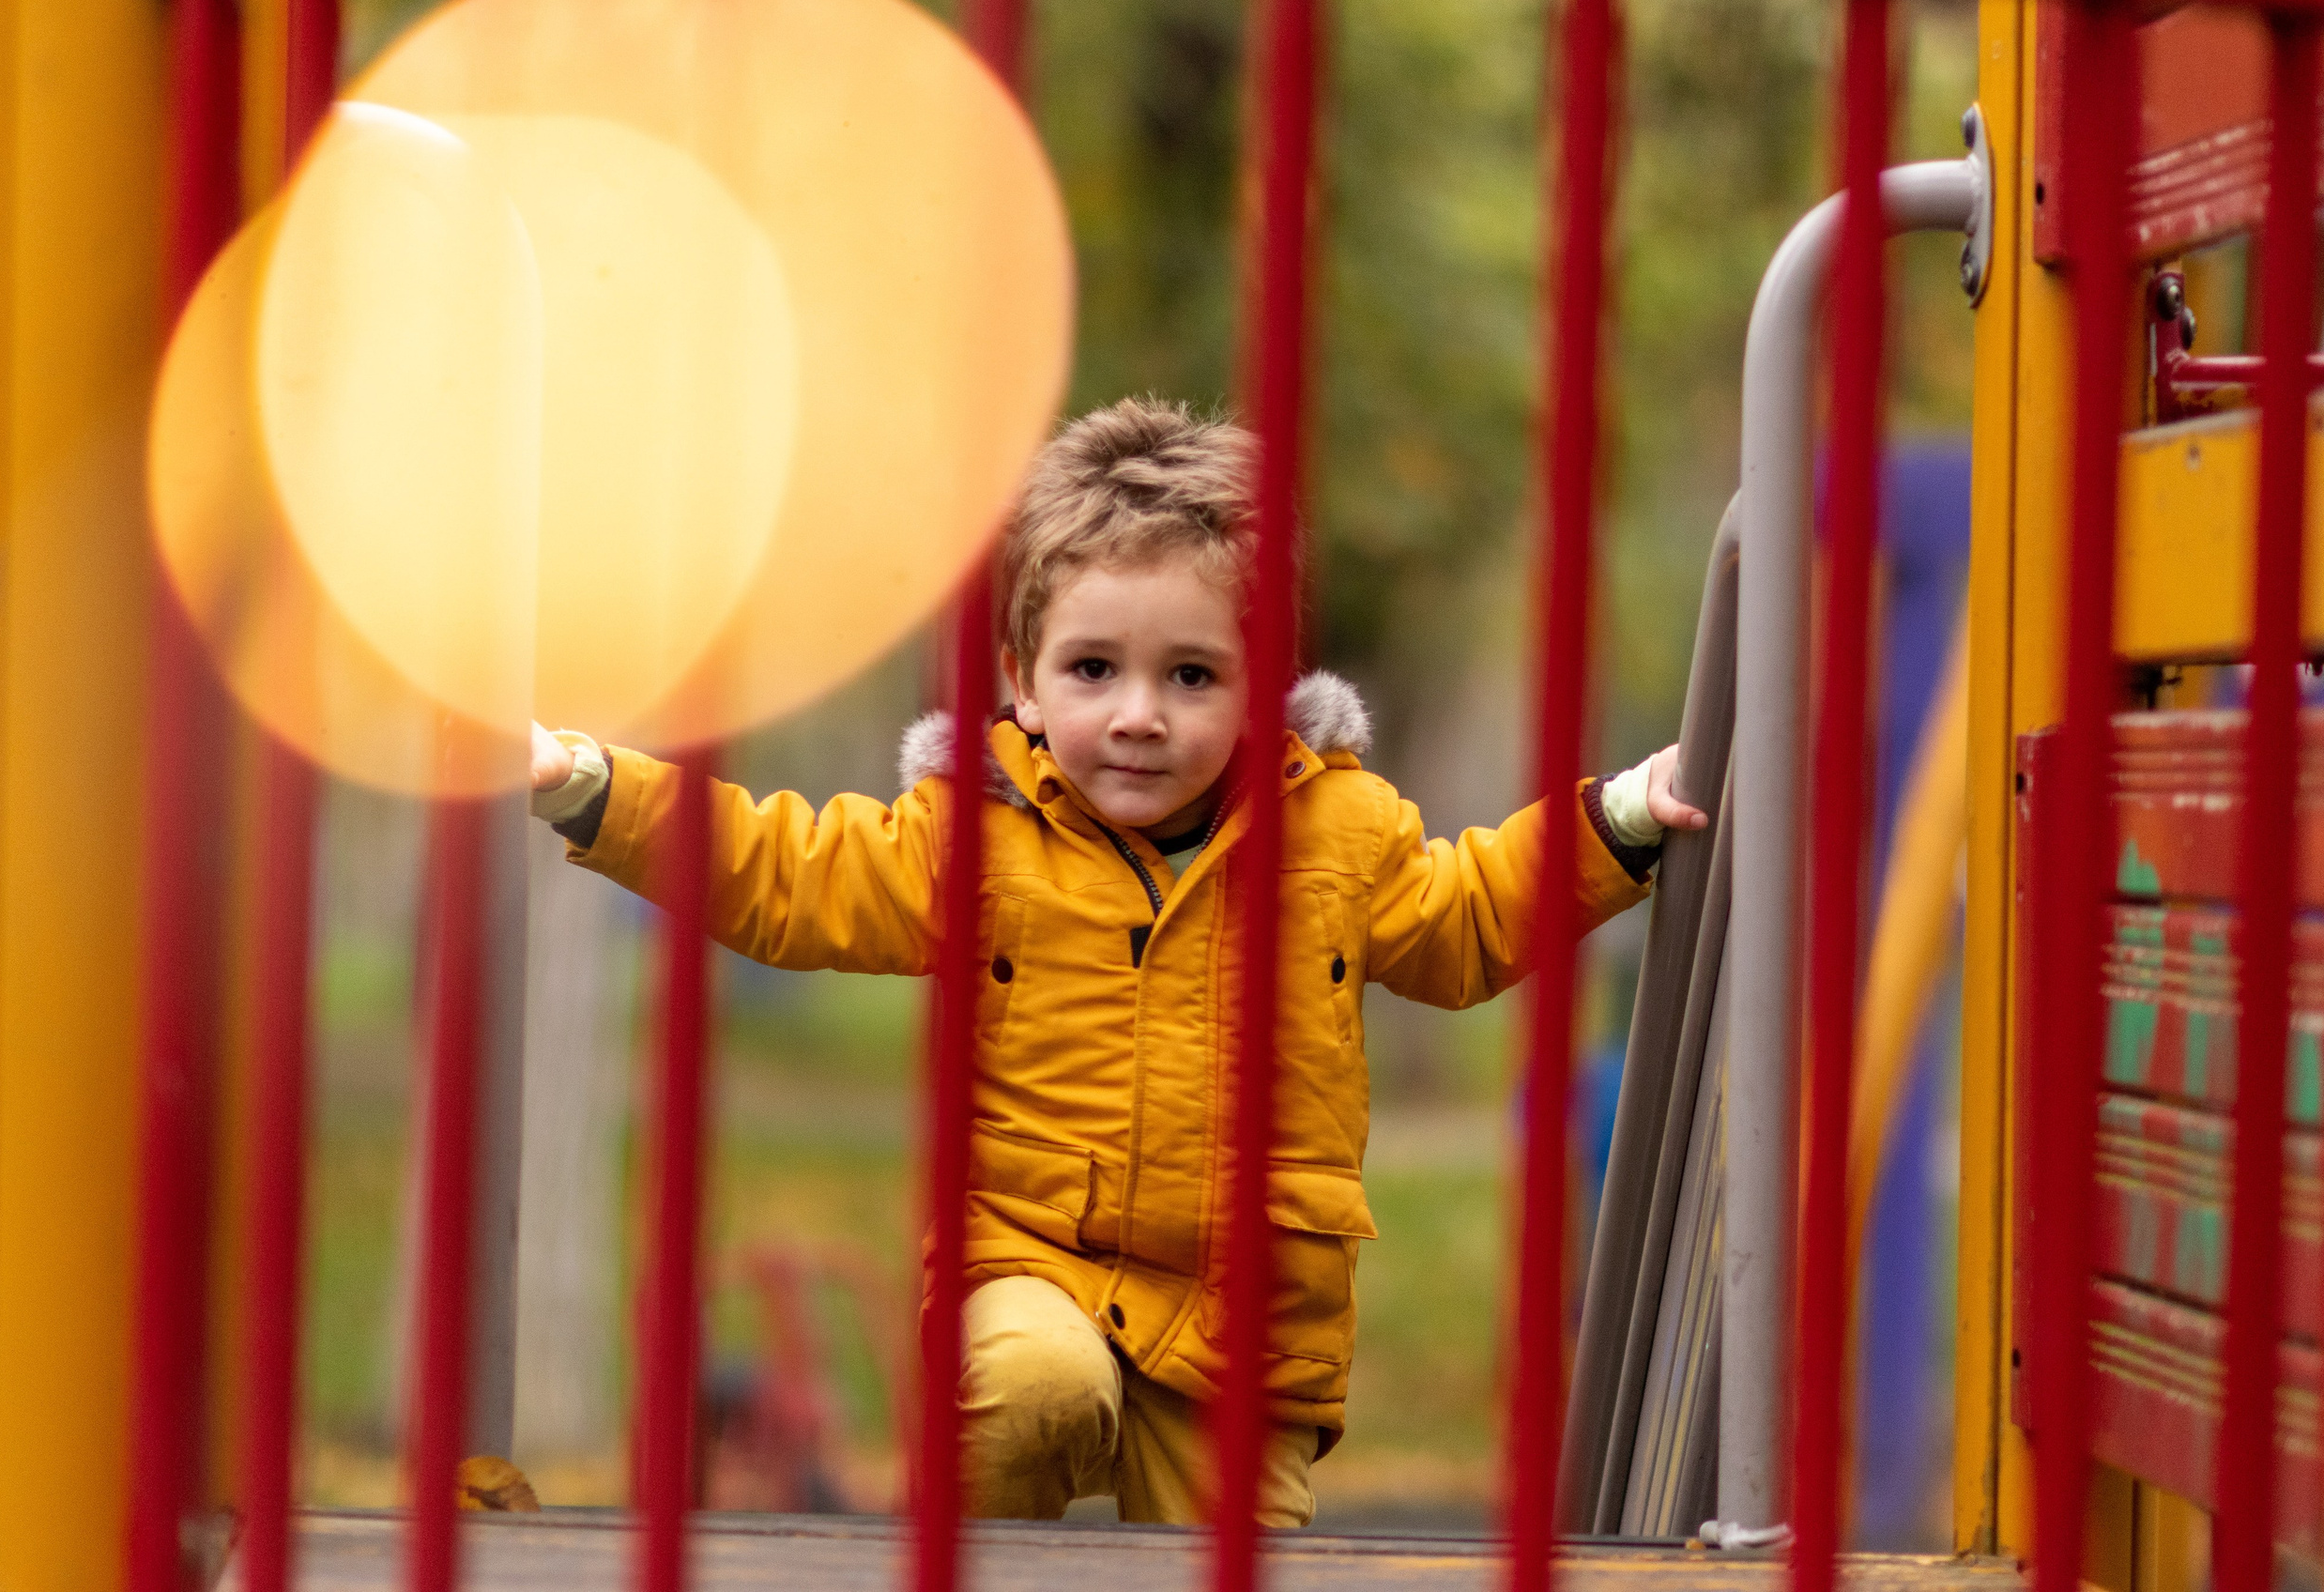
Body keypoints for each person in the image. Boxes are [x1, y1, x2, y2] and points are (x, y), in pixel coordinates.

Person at [525, 398, 1705, 1527]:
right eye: (1094, 670)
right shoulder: (971, 843)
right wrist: (590, 787)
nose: (1139, 714)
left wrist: (1619, 820)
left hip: (1245, 1321)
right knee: (1033, 1389)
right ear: (1022, 683)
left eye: (1191, 675)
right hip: (1032, 1260)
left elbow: (1466, 921)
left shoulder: (1339, 836)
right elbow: (782, 872)